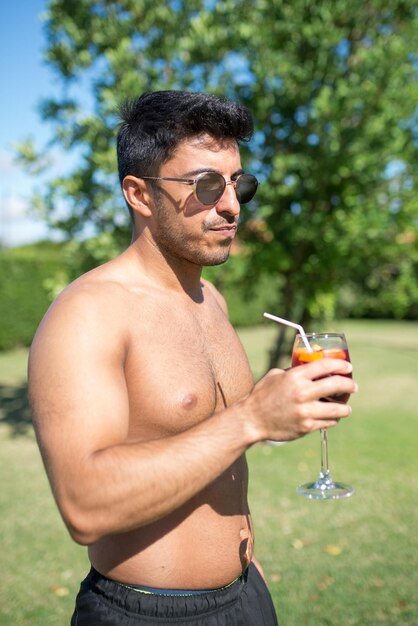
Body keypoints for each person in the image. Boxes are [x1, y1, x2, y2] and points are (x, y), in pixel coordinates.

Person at [28, 90, 357, 626]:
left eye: (238, 183)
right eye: (206, 185)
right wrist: (251, 419)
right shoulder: (88, 313)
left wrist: (284, 414)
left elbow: (217, 455)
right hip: (147, 614)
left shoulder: (212, 300)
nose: (231, 205)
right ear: (139, 193)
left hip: (246, 595)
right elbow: (84, 506)